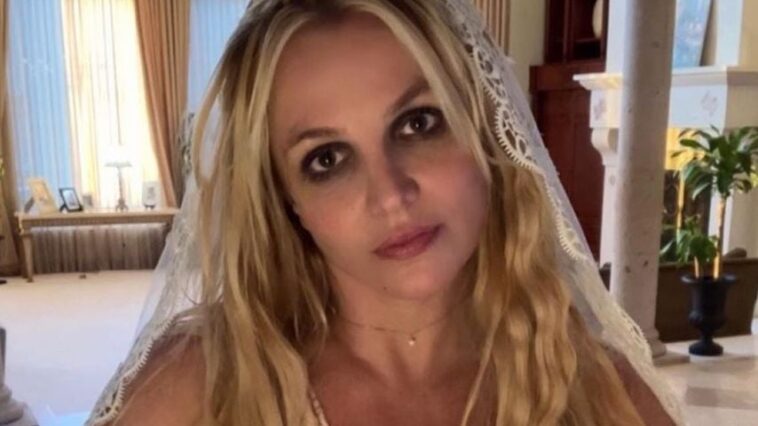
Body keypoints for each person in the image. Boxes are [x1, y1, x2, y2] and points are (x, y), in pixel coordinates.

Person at [86, 0, 683, 425]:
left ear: (485, 129)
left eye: (418, 123)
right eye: (327, 159)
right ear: (287, 199)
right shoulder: (199, 389)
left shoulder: (598, 393)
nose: (391, 196)